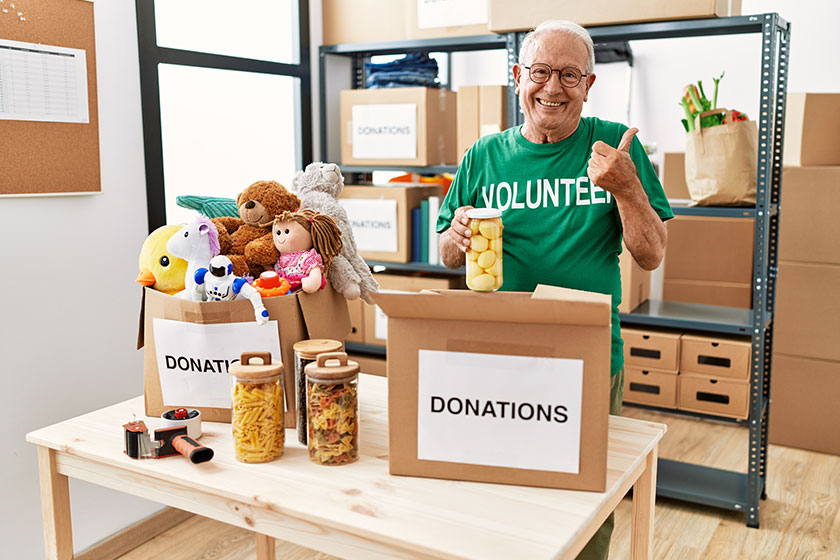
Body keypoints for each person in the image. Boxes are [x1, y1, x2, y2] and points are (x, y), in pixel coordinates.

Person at [436, 20, 673, 560]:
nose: (553, 88)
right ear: (518, 76)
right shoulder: (483, 155)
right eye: (541, 72)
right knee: (495, 494)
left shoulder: (616, 149)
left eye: (569, 75)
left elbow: (651, 254)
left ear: (589, 85)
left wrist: (628, 186)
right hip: (494, 356)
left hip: (587, 356)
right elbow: (448, 254)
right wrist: (457, 233)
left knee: (585, 501)